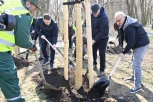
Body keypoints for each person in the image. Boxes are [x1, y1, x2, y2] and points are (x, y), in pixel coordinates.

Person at [0, 0, 40, 101]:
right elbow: (22, 41)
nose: (33, 12)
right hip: (1, 51)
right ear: (28, 4)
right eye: (34, 9)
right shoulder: (23, 12)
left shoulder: (9, 3)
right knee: (9, 79)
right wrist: (32, 46)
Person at [114, 12, 150, 93]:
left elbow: (131, 42)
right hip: (136, 44)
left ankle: (138, 86)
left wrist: (123, 52)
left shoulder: (130, 26)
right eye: (116, 21)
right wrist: (120, 47)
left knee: (136, 64)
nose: (117, 23)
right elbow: (122, 36)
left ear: (123, 18)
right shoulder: (124, 24)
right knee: (133, 61)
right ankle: (134, 77)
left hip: (141, 45)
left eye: (118, 20)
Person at [91, 3, 109, 75]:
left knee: (102, 53)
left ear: (99, 10)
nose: (94, 14)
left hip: (103, 38)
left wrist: (94, 40)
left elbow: (102, 32)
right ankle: (94, 64)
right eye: (93, 13)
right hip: (93, 37)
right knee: (93, 51)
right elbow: (87, 24)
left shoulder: (104, 17)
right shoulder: (91, 15)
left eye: (96, 12)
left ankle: (102, 69)